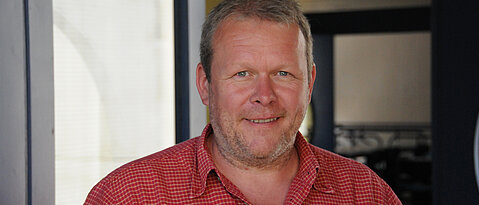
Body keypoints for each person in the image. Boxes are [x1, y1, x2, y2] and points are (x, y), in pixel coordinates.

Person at [85, 0, 401, 204]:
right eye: (242, 73)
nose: (264, 95)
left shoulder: (366, 194)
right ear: (205, 85)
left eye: (283, 73)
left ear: (309, 85)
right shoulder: (127, 196)